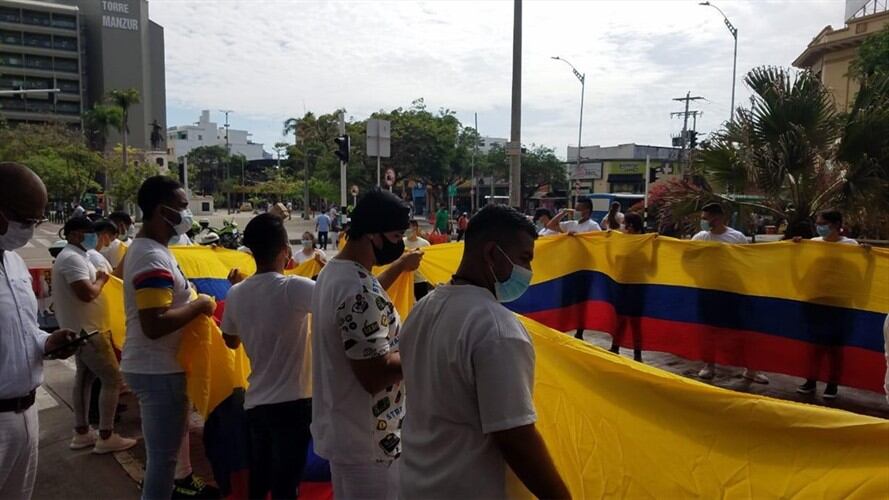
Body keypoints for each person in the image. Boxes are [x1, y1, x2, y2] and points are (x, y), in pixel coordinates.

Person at [399, 205, 570, 499]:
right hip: (468, 488)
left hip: (414, 483)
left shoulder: (423, 309)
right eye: (524, 259)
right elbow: (515, 437)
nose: (527, 271)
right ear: (491, 253)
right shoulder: (497, 329)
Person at [310, 188, 422, 500]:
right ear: (373, 235)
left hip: (347, 431)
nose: (399, 243)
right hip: (370, 442)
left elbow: (364, 306)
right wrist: (419, 350)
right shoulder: (356, 289)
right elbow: (374, 375)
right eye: (396, 235)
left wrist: (399, 267)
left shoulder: (335, 273)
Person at [121, 176, 219, 500]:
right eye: (181, 208)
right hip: (158, 369)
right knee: (164, 462)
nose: (186, 215)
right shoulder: (152, 256)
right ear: (163, 211)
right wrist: (200, 305)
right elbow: (154, 322)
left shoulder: (153, 249)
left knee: (163, 459)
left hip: (158, 366)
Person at [0, 162, 82, 499]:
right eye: (25, 220)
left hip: (27, 414)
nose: (31, 229)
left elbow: (26, 330)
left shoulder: (16, 263)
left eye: (37, 220)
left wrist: (48, 341)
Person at [221, 214, 314, 499]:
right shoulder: (294, 288)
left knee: (260, 483)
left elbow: (231, 341)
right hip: (294, 404)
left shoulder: (236, 293)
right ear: (285, 250)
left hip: (257, 404)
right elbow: (346, 300)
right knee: (287, 485)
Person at [52, 217, 136, 454]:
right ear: (74, 235)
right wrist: (100, 280)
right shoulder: (71, 259)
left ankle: (82, 432)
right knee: (112, 379)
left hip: (83, 330)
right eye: (87, 233)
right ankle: (106, 435)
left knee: (85, 379)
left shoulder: (79, 257)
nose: (93, 238)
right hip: (89, 331)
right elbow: (87, 294)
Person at [692, 203, 768, 384]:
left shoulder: (736, 237)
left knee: (742, 332)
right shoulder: (700, 237)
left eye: (706, 218)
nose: (703, 222)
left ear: (718, 218)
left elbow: (747, 262)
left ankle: (751, 370)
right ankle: (708, 366)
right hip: (708, 292)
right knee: (709, 331)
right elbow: (685, 258)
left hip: (733, 292)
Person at [794, 209, 860, 399]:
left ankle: (832, 384)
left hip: (840, 304)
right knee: (814, 347)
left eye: (822, 223)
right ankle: (811, 380)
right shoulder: (812, 244)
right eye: (818, 223)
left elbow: (857, 270)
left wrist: (867, 254)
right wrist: (797, 248)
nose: (818, 227)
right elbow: (804, 266)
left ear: (835, 225)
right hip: (815, 302)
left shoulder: (851, 245)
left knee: (835, 348)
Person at [404, 220, 431, 300]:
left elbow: (429, 261)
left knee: (422, 303)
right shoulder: (401, 242)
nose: (406, 230)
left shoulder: (425, 244)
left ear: (415, 228)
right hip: (405, 280)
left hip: (420, 280)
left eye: (408, 228)